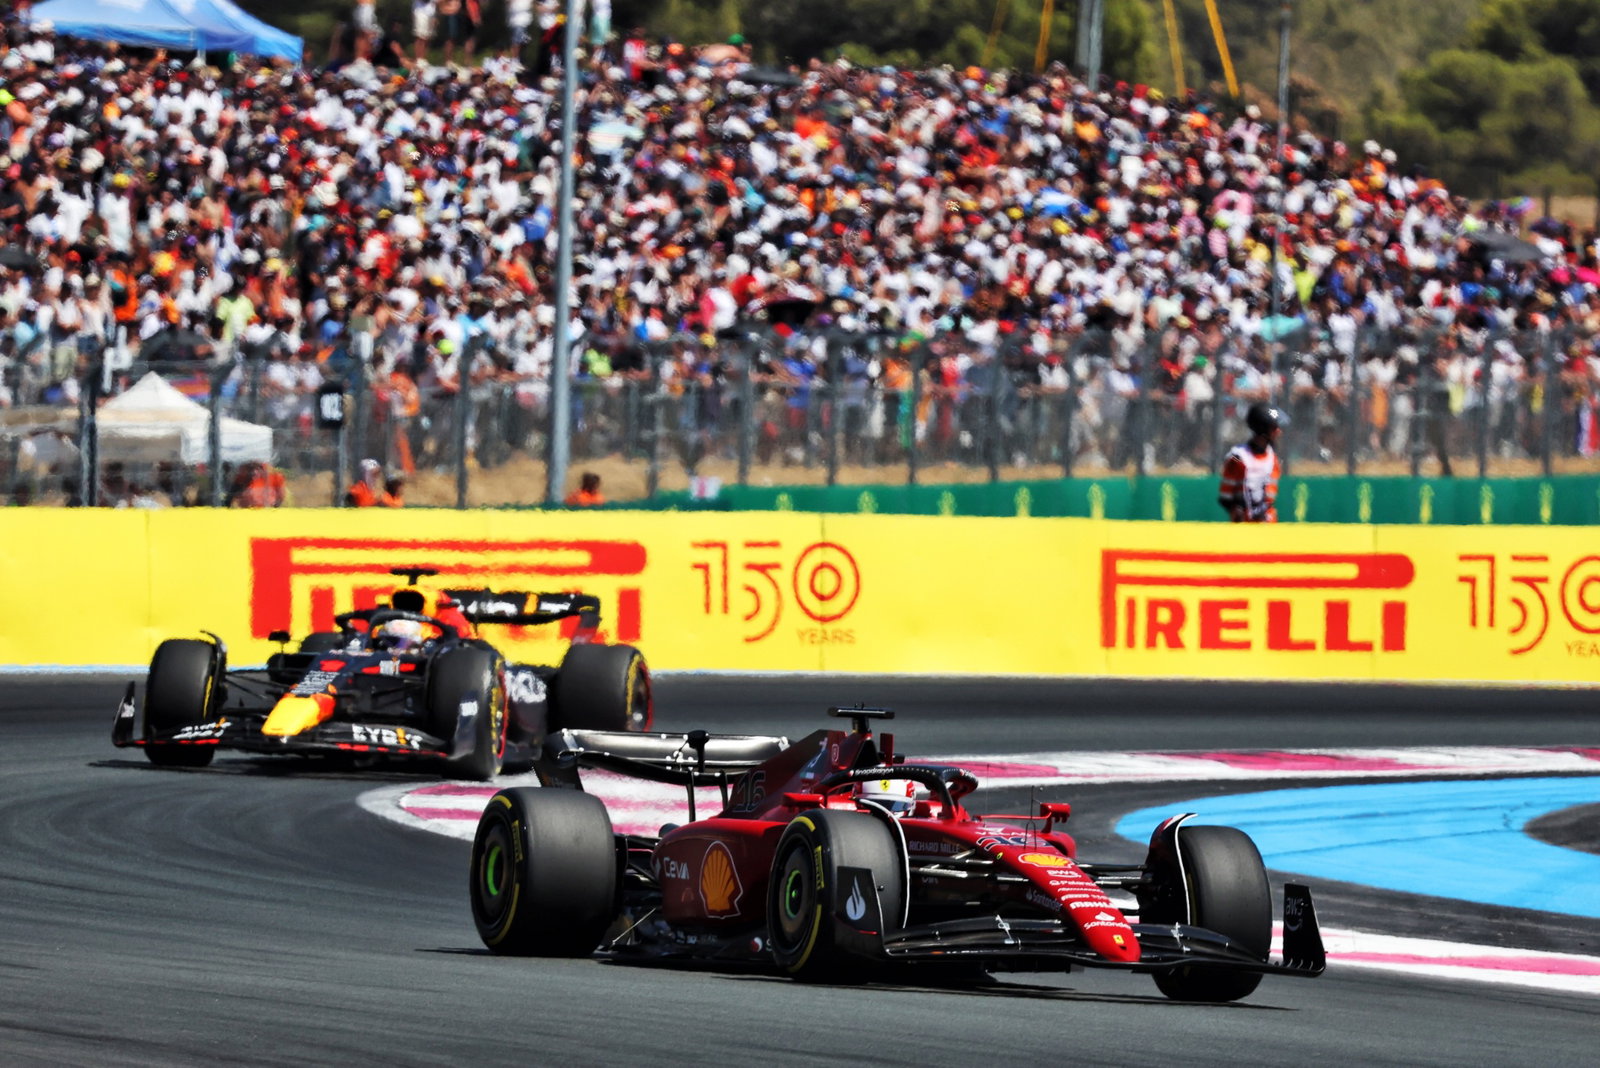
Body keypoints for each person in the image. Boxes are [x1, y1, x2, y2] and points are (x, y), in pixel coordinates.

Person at [1218, 403, 1286, 523]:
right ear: (1262, 429)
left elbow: (1271, 495)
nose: (1279, 431)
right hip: (1244, 525)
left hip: (1268, 524)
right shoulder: (1239, 457)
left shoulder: (1273, 458)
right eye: (1274, 427)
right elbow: (1226, 496)